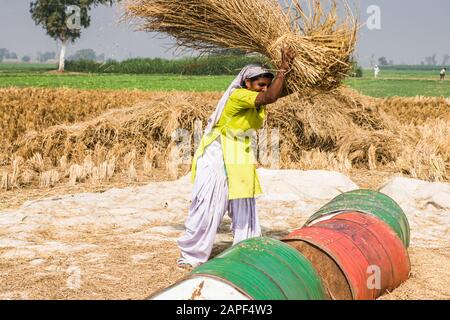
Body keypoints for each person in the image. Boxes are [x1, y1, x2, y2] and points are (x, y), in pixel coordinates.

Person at [177, 46, 296, 268]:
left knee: (243, 203)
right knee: (209, 205)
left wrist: (296, 76)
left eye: (267, 84)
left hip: (239, 154)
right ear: (247, 83)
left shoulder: (257, 97)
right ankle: (192, 255)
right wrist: (283, 68)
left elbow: (277, 92)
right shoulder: (239, 95)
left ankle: (245, 249)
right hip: (218, 154)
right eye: (260, 84)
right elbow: (271, 96)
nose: (265, 88)